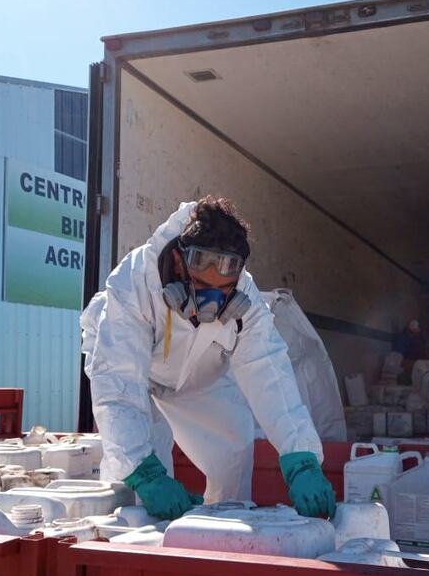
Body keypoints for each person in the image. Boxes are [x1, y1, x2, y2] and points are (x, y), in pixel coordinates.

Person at [80, 196, 336, 521]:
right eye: (200, 286)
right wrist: (144, 474)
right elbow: (118, 384)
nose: (210, 305)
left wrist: (301, 457)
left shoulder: (246, 300)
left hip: (199, 378)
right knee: (136, 487)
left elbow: (268, 372)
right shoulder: (134, 285)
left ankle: (222, 539)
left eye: (222, 291)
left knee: (233, 451)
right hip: (137, 381)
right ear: (177, 261)